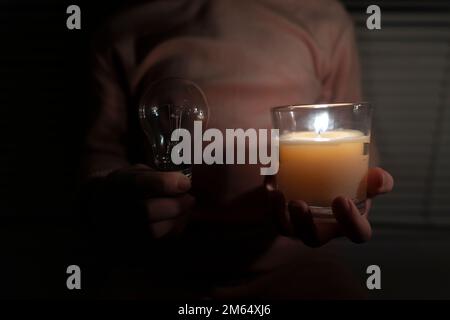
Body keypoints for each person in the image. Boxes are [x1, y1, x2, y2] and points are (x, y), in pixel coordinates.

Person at [82, 0, 394, 298]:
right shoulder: (126, 27)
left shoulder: (324, 18)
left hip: (299, 264)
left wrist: (337, 211)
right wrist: (117, 198)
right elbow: (99, 158)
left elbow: (356, 147)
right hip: (160, 265)